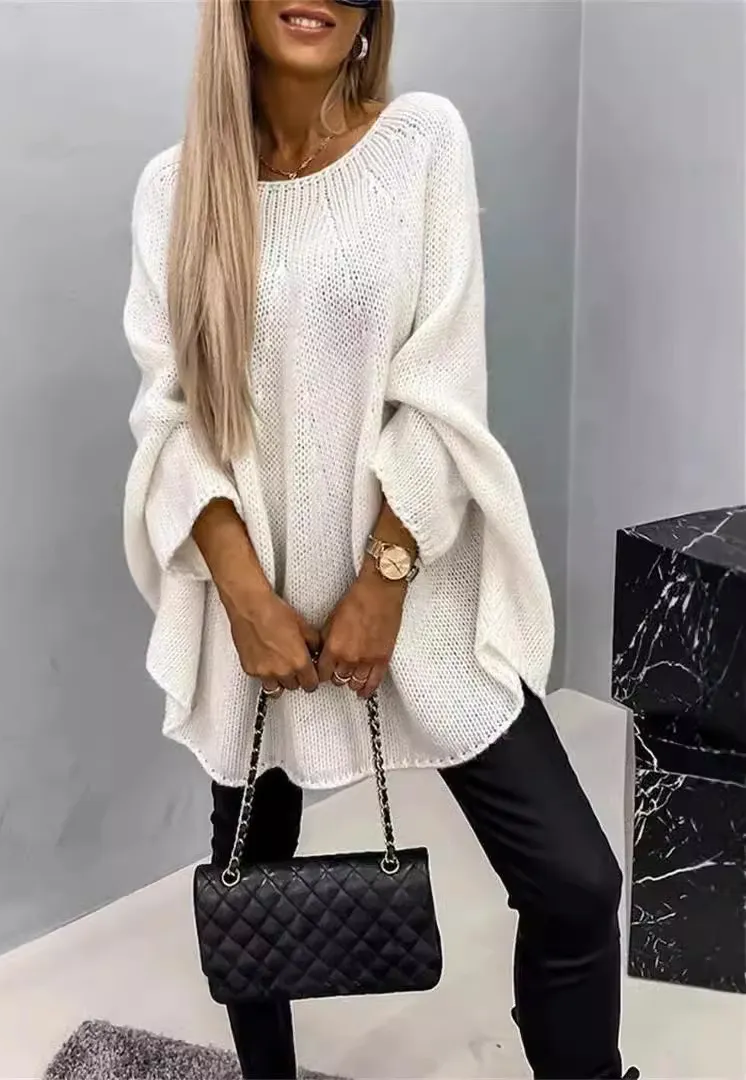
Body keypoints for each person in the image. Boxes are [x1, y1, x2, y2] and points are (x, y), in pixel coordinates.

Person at [123, 2, 639, 1078]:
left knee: (576, 882)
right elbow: (170, 418)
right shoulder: (175, 191)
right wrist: (247, 601)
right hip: (257, 610)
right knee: (251, 891)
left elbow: (444, 382)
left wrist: (386, 578)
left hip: (413, 593)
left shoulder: (420, 143)